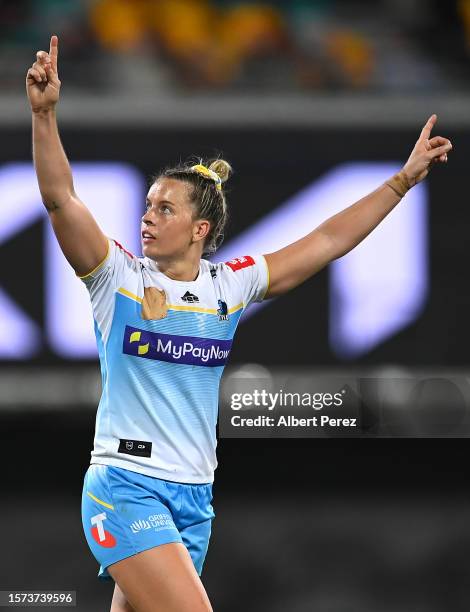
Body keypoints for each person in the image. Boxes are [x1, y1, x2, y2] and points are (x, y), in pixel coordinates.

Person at [26, 35, 452, 612]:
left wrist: (399, 183)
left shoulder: (229, 286)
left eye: (165, 209)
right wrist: (45, 115)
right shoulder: (116, 278)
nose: (147, 217)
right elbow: (60, 200)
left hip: (194, 497)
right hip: (126, 486)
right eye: (148, 205)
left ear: (200, 229)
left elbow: (326, 240)